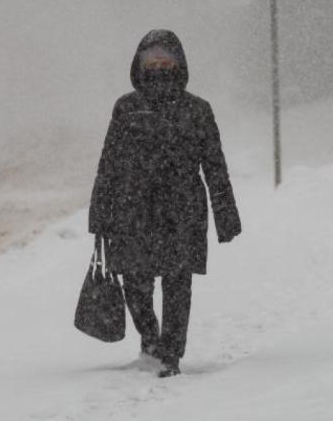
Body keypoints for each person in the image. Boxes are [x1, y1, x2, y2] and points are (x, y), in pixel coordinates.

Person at [88, 28, 242, 378]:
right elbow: (108, 163)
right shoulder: (126, 108)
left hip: (183, 210)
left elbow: (215, 165)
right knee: (135, 283)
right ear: (140, 63)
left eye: (166, 58)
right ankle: (151, 340)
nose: (159, 64)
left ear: (178, 63)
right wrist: (100, 214)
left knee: (178, 284)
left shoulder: (198, 110)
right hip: (133, 209)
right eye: (151, 58)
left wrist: (225, 215)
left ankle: (171, 353)